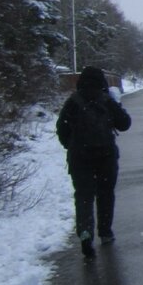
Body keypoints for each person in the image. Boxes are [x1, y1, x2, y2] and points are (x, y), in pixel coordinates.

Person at [56, 66, 132, 257]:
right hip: (106, 156)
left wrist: (72, 146)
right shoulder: (106, 100)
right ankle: (105, 232)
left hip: (80, 158)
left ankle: (85, 233)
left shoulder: (72, 102)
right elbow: (125, 124)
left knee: (83, 196)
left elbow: (62, 130)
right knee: (105, 194)